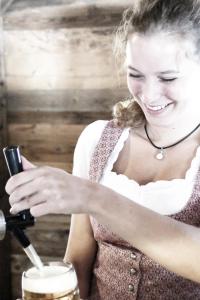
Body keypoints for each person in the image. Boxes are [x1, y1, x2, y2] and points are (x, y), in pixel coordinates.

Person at [6, 0, 200, 299]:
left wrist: (91, 196)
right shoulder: (97, 140)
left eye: (168, 77)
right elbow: (79, 261)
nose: (148, 95)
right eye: (135, 74)